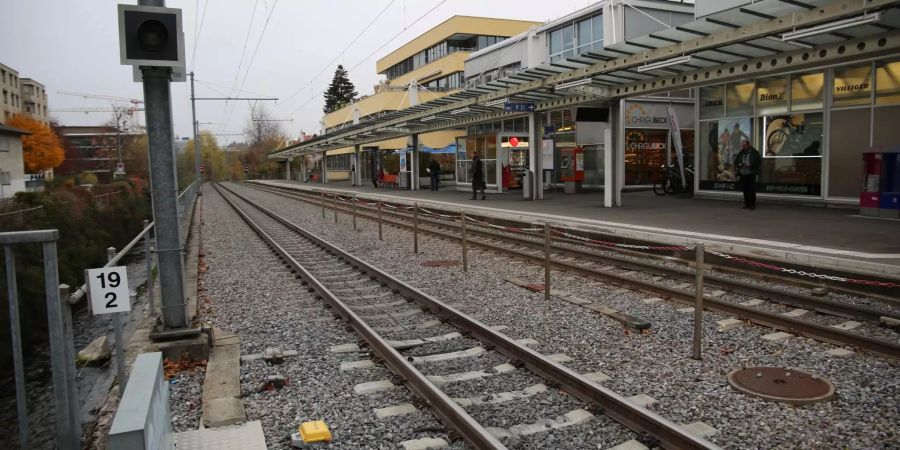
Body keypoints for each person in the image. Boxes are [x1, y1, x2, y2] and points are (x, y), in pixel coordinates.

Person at [733, 139, 761, 210]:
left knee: (751, 189)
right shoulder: (741, 152)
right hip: (743, 173)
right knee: (745, 189)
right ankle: (746, 204)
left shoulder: (754, 152)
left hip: (751, 173)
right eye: (742, 146)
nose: (743, 147)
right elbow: (736, 161)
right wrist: (739, 164)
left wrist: (751, 164)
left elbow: (759, 162)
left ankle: (752, 205)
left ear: (748, 145)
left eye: (745, 146)